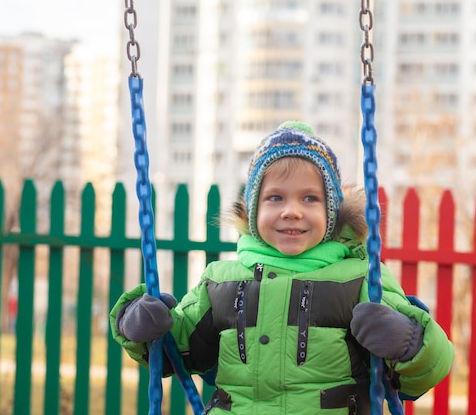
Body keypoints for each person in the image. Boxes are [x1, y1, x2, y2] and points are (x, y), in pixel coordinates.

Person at [109, 121, 454, 414]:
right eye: (275, 197)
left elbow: (422, 374)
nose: (292, 211)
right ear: (253, 210)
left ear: (331, 212)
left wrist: (408, 343)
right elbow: (177, 353)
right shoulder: (221, 282)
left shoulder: (358, 277)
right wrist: (137, 323)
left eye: (309, 198)